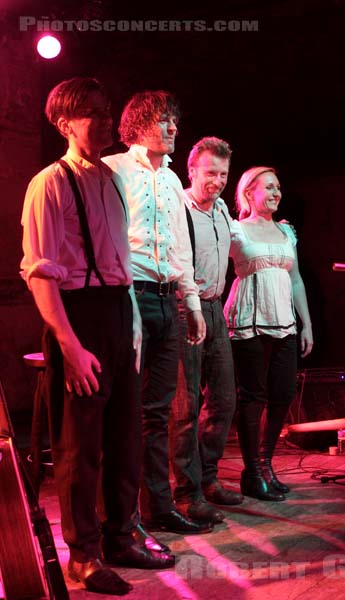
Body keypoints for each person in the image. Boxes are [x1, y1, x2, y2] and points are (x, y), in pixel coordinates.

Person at [20, 77, 174, 596]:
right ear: (64, 123)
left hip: (113, 312)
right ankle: (81, 556)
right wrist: (70, 345)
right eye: (92, 113)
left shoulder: (109, 180)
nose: (106, 120)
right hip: (76, 315)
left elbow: (120, 268)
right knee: (80, 448)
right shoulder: (49, 182)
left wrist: (129, 328)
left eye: (107, 111)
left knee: (124, 439)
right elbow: (41, 275)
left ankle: (119, 535)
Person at [103, 91, 210, 534]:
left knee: (157, 411)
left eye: (174, 121)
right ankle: (121, 515)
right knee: (124, 409)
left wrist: (191, 301)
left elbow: (179, 244)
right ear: (139, 123)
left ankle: (158, 507)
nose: (173, 129)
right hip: (131, 296)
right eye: (164, 120)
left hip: (168, 299)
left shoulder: (169, 180)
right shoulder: (112, 169)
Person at [224, 166, 313, 501]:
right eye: (270, 187)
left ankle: (265, 464)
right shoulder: (235, 230)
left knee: (283, 394)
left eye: (279, 188)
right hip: (249, 320)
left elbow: (296, 280)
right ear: (250, 192)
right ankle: (252, 472)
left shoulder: (286, 232)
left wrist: (307, 324)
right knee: (253, 396)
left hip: (284, 322)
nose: (277, 193)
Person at [170, 137, 243, 526]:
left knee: (224, 400)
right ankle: (185, 493)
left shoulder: (223, 212)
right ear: (192, 170)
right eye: (210, 173)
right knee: (183, 409)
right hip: (185, 310)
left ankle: (208, 479)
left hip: (215, 310)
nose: (217, 181)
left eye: (223, 175)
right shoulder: (178, 207)